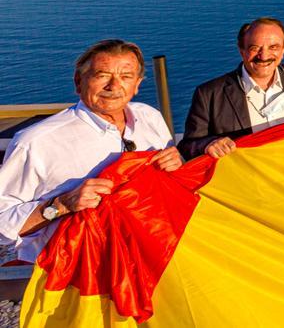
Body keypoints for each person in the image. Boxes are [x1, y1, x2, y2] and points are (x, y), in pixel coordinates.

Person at [0, 39, 182, 262]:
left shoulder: (150, 117)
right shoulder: (36, 142)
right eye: (102, 75)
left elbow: (169, 190)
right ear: (79, 82)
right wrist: (61, 205)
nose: (114, 87)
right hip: (72, 275)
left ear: (137, 85)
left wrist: (177, 167)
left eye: (125, 77)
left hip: (144, 260)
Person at [180, 17, 284, 160]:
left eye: (273, 47)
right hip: (246, 184)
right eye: (255, 48)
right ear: (241, 50)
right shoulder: (210, 94)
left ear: (283, 50)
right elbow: (187, 146)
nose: (264, 56)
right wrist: (208, 144)